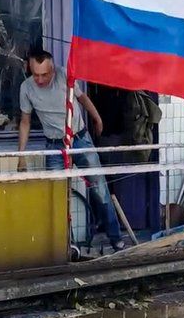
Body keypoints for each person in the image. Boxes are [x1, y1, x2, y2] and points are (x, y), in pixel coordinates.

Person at [17, 50, 125, 250]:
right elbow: (25, 123)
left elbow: (82, 98)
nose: (40, 79)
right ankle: (66, 245)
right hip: (55, 146)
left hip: (79, 139)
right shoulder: (26, 88)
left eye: (45, 74)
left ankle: (115, 238)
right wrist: (21, 156)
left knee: (99, 189)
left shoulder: (65, 75)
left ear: (53, 69)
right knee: (57, 196)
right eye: (36, 75)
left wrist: (97, 118)